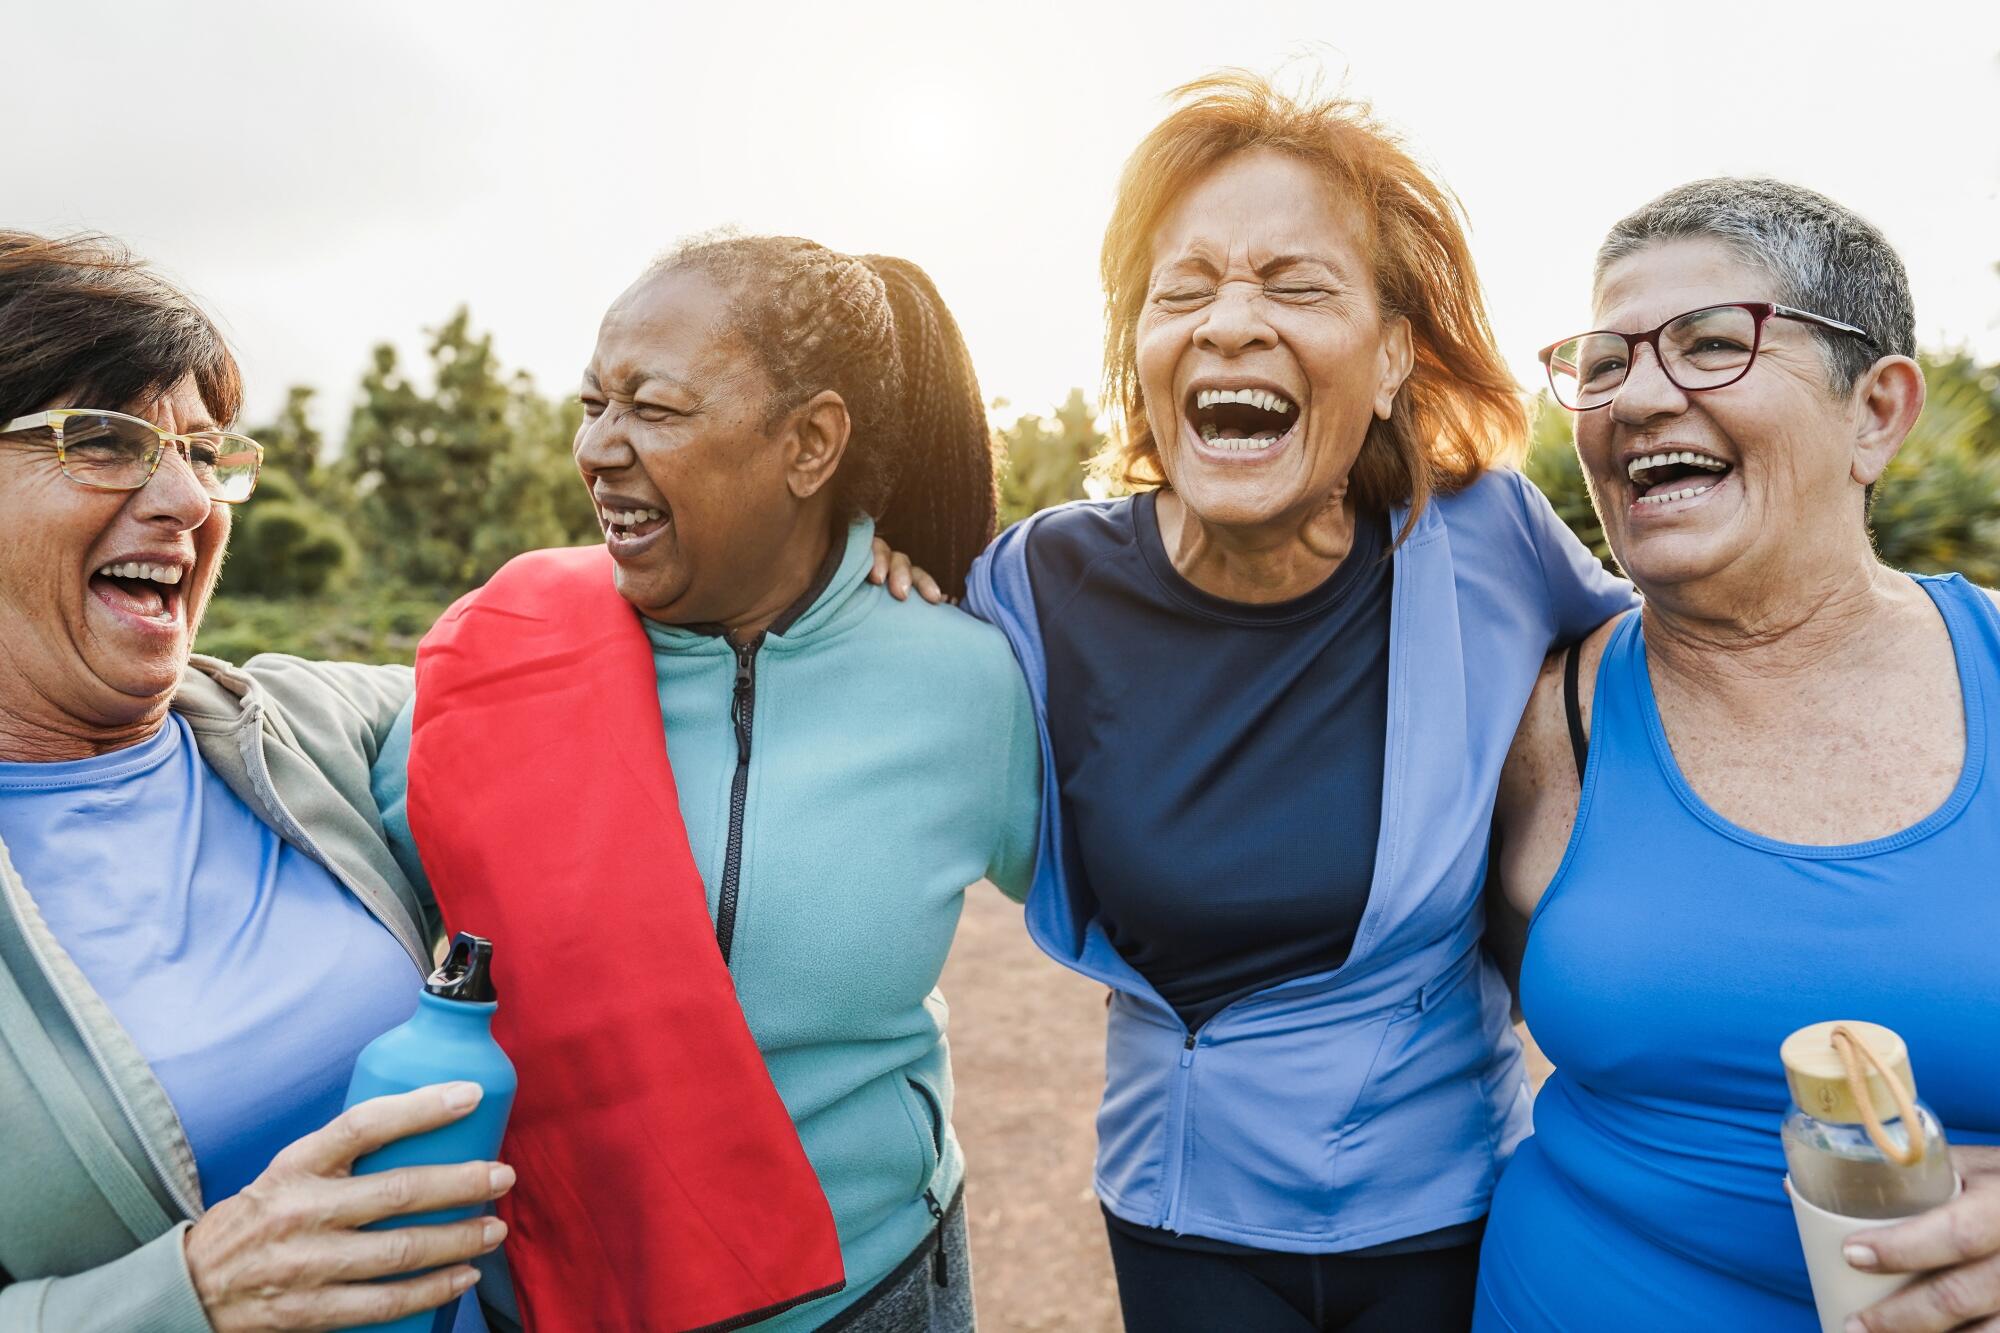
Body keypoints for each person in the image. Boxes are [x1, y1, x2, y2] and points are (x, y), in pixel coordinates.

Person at [961, 74, 1635, 1331]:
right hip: (1182, 1214)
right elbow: (872, 677)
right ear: (1141, 355)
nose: (1229, 322)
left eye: (1292, 282)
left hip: (1448, 1202)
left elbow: (1681, 675)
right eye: (1184, 288)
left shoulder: (1488, 539)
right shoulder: (1034, 582)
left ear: (1389, 359)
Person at [372, 236, 1040, 1332]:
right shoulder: (496, 652)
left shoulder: (963, 681)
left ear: (811, 442)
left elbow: (1121, 902)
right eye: (593, 402)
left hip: (863, 1286)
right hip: (553, 1299)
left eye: (656, 408)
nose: (599, 447)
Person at [1477, 179, 2000, 1332]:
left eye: (1711, 345)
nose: (1636, 398)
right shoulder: (1542, 719)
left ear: (1875, 411)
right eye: (1603, 364)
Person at [0, 231, 512, 1332]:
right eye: (103, 439)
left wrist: (903, 543)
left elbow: (606, 642)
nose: (186, 497)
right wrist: (185, 1293)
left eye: (203, 450)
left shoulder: (308, 726)